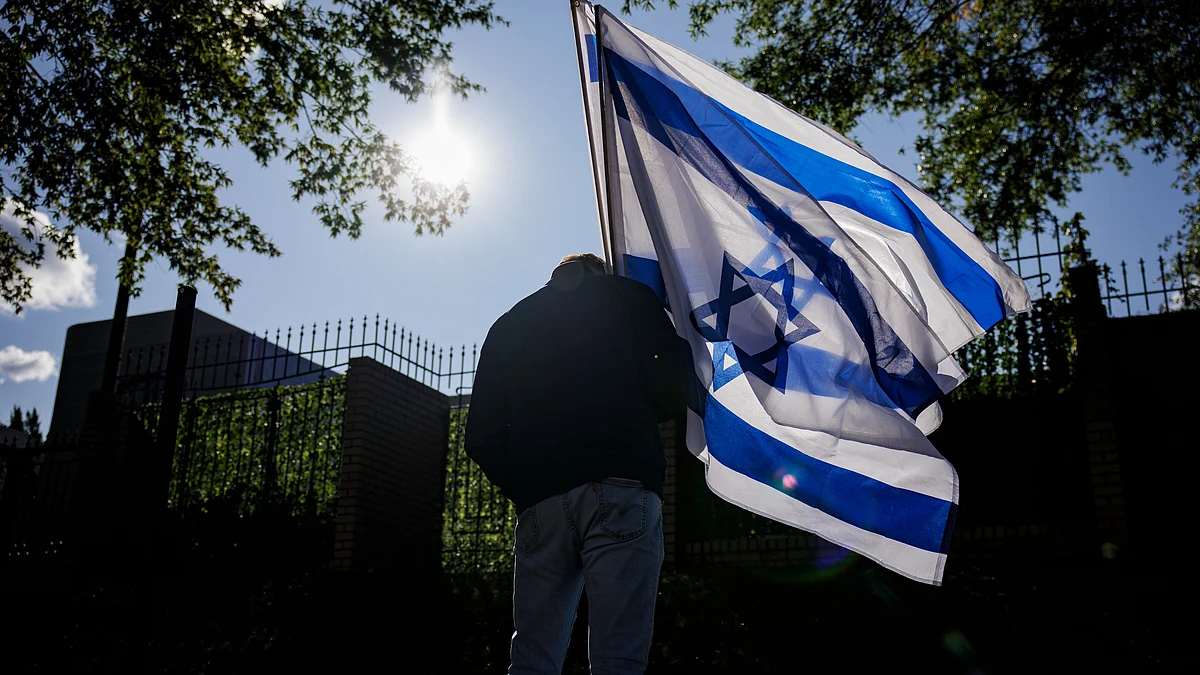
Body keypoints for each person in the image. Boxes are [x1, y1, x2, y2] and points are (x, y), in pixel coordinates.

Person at [465, 252, 689, 675]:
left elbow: (480, 435)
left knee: (532, 657)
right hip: (623, 484)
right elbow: (672, 392)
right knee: (617, 657)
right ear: (600, 273)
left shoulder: (509, 325)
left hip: (541, 501)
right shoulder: (633, 299)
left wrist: (529, 486)